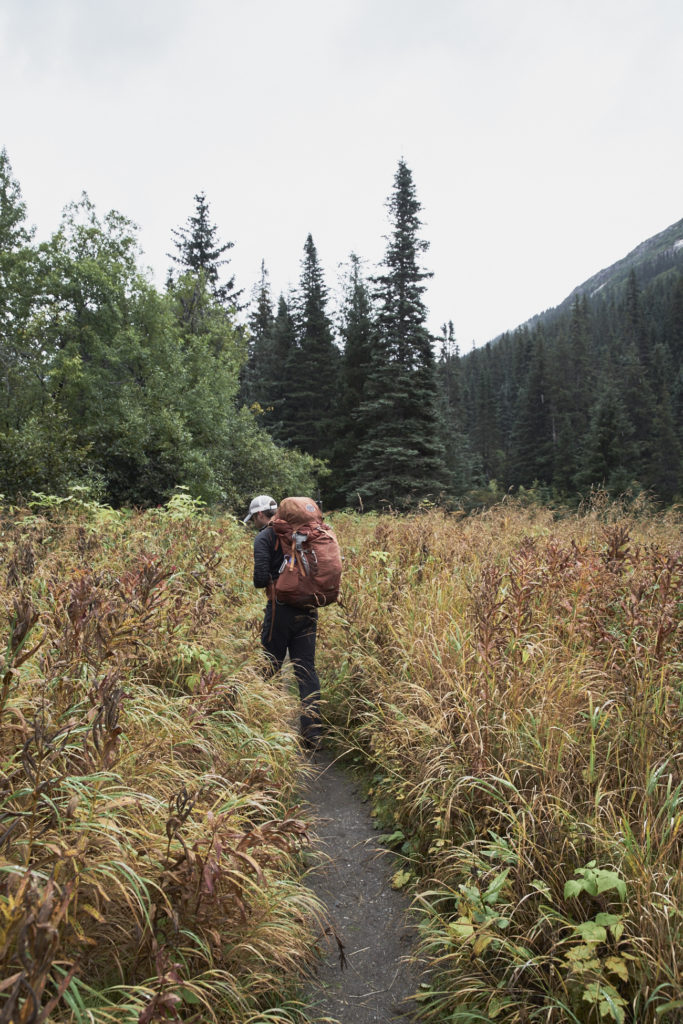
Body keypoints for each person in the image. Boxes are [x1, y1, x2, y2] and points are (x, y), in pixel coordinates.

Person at [244, 494, 322, 750]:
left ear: (258, 515)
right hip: (308, 608)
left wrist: (271, 579)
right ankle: (312, 734)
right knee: (306, 669)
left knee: (271, 666)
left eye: (253, 519)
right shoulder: (304, 533)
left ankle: (271, 727)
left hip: (280, 610)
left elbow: (258, 579)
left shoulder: (264, 537)